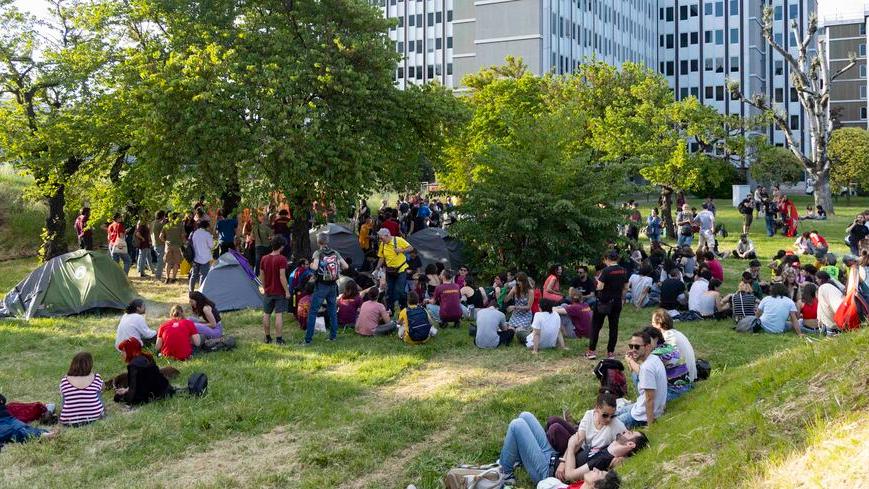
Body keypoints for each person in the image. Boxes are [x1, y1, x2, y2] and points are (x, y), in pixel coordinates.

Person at [616, 330, 668, 428]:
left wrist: (650, 425)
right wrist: (632, 360)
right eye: (631, 346)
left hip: (641, 416)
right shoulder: (654, 359)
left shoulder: (646, 368)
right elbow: (639, 373)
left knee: (609, 424)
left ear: (648, 346)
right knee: (614, 411)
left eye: (637, 347)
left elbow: (649, 399)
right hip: (643, 407)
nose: (633, 350)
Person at [305, 232, 349, 345]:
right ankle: (333, 336)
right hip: (333, 285)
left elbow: (314, 267)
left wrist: (310, 265)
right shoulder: (335, 252)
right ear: (327, 241)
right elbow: (346, 266)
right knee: (333, 311)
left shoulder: (318, 253)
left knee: (313, 311)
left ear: (318, 242)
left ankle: (308, 339)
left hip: (321, 286)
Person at [587, 250, 628, 361]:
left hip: (603, 302)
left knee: (596, 326)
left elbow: (600, 287)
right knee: (613, 327)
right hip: (617, 302)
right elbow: (626, 287)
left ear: (607, 259)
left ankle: (591, 351)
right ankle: (610, 352)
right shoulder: (623, 270)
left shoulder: (606, 271)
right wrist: (622, 299)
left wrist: (596, 283)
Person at [114, 338, 173, 405]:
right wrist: (127, 390)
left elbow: (134, 391)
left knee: (117, 397)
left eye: (124, 351)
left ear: (130, 350)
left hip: (154, 394)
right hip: (165, 388)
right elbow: (141, 381)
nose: (122, 354)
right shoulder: (148, 357)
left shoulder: (133, 366)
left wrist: (124, 396)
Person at [59, 352, 105, 427]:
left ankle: (69, 412)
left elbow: (63, 394)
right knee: (98, 392)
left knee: (66, 395)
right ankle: (97, 409)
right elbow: (103, 387)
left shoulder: (65, 380)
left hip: (68, 421)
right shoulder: (96, 377)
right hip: (95, 417)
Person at [650, 309, 696, 383]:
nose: (651, 325)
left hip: (683, 377)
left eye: (653, 322)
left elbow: (661, 359)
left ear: (659, 324)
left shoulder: (667, 336)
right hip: (689, 373)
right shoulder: (675, 333)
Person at [259, 236, 290, 345]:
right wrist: (286, 290)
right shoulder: (282, 259)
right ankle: (279, 339)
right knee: (278, 315)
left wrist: (264, 286)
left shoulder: (264, 258)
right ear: (281, 247)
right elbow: (282, 276)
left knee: (266, 314)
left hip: (268, 291)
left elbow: (261, 275)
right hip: (279, 291)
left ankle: (267, 337)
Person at [376, 228, 413, 315]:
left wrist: (402, 250)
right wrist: (377, 268)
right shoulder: (383, 244)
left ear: (387, 235)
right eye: (380, 238)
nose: (380, 240)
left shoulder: (398, 240)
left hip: (401, 269)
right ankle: (390, 310)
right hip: (390, 271)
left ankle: (404, 309)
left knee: (400, 290)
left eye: (381, 238)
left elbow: (411, 248)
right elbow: (382, 257)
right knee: (389, 291)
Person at [188, 220, 214, 292]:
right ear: (206, 226)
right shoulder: (207, 234)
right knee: (203, 275)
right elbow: (211, 246)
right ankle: (201, 291)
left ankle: (191, 291)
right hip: (205, 258)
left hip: (195, 257)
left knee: (194, 275)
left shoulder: (194, 233)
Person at [160, 212, 184, 284]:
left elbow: (160, 236)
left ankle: (167, 278)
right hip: (177, 246)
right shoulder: (180, 226)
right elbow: (183, 236)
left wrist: (165, 241)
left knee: (168, 263)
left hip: (168, 246)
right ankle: (173, 278)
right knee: (176, 263)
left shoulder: (166, 226)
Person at [251, 211, 272, 277]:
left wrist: (257, 239)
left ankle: (256, 276)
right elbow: (271, 238)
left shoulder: (255, 227)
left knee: (258, 262)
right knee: (267, 262)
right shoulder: (268, 228)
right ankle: (267, 275)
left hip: (258, 246)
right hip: (267, 246)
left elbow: (252, 238)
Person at [150, 211, 167, 282]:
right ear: (162, 216)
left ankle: (158, 275)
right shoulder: (160, 224)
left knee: (159, 260)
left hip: (155, 244)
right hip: (160, 244)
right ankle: (158, 276)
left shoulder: (152, 223)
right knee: (160, 261)